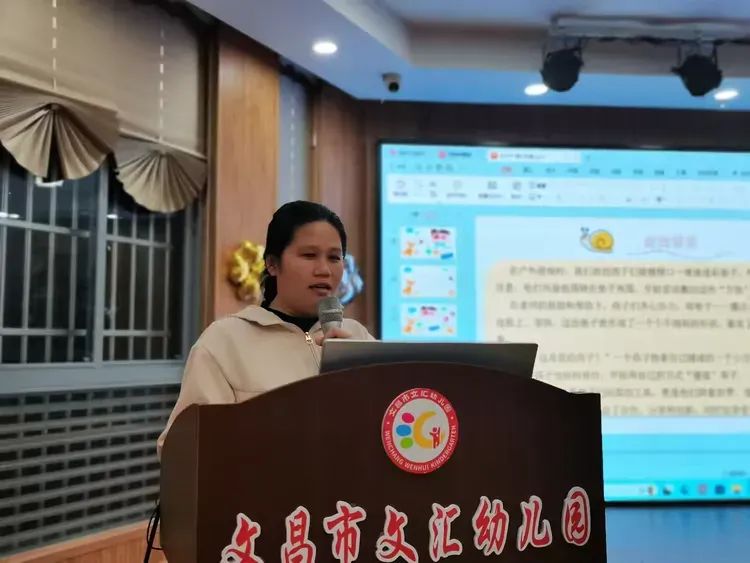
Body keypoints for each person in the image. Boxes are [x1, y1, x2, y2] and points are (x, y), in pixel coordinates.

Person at [157, 201, 373, 456]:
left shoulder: (357, 337)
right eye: (309, 255)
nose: (324, 270)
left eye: (334, 258)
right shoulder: (224, 341)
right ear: (272, 264)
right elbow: (182, 449)